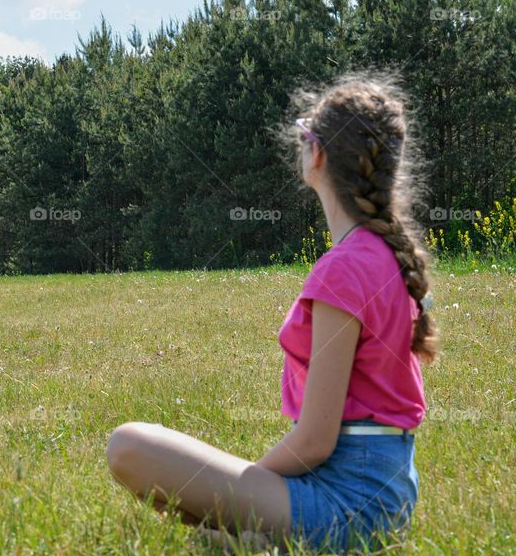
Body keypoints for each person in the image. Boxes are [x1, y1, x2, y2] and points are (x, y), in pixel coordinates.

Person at [106, 74, 437, 552]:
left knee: (129, 445)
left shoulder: (345, 269)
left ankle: (251, 538)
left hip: (349, 507)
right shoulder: (383, 255)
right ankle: (248, 542)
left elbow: (315, 442)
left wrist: (244, 485)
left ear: (317, 154)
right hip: (384, 497)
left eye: (305, 136)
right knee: (185, 483)